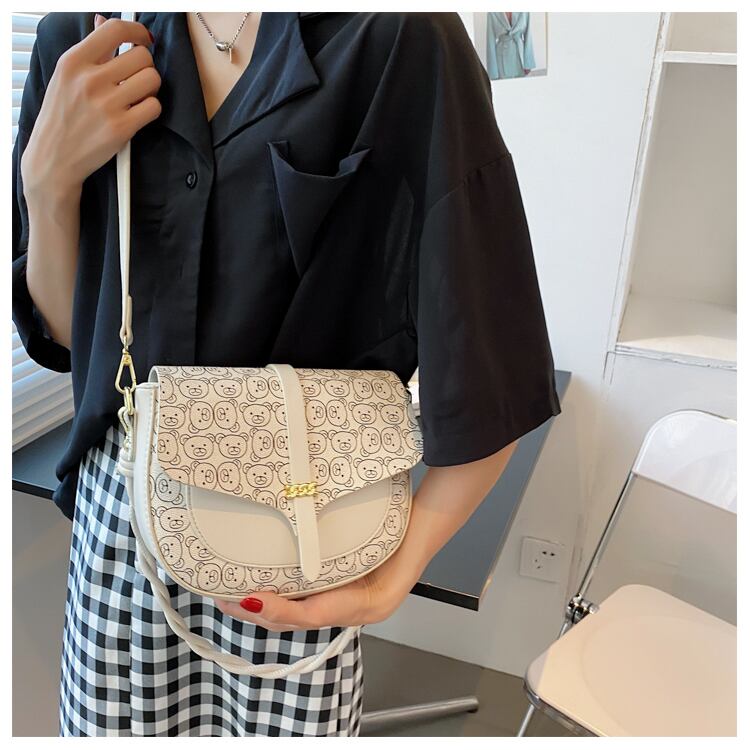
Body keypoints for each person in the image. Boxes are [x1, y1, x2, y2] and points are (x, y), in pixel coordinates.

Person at [12, 11, 561, 737]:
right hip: (122, 530)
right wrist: (46, 186)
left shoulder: (399, 39)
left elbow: (493, 361)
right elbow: (68, 335)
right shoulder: (83, 37)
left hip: (300, 534)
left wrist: (394, 576)